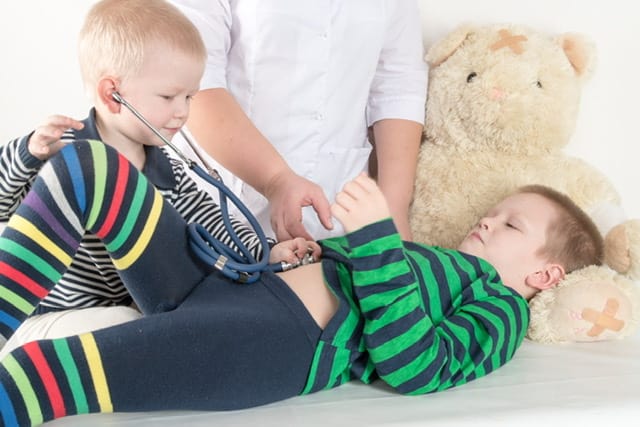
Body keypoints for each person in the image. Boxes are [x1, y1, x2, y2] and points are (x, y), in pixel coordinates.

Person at [0, 137, 603, 425]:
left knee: (45, 372)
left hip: (273, 338)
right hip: (232, 278)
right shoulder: (431, 259)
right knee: (91, 166)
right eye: (493, 211)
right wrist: (297, 254)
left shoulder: (501, 308)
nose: (486, 220)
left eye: (510, 223)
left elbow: (418, 366)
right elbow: (356, 274)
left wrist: (375, 243)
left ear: (544, 273)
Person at [0, 0, 319, 355]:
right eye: (169, 96)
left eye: (189, 97)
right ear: (113, 94)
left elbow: (215, 222)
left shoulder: (169, 169)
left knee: (145, 324)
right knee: (127, 325)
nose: (182, 111)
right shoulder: (63, 154)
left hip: (120, 311)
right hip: (51, 315)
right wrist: (27, 153)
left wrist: (266, 250)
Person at [168, 0, 428, 241]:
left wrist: (392, 209)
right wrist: (276, 179)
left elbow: (398, 85)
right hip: (219, 202)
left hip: (335, 210)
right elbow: (195, 82)